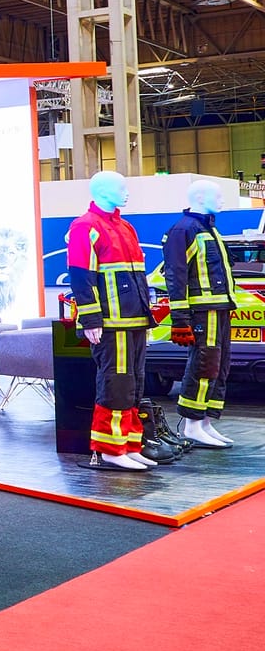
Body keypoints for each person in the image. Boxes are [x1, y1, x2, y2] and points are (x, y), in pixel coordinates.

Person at [66, 170, 157, 471]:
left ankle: (129, 445)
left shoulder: (126, 227)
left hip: (134, 320)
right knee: (115, 384)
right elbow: (81, 277)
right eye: (121, 186)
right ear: (102, 190)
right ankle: (109, 449)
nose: (127, 191)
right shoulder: (84, 227)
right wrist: (91, 319)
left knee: (134, 384)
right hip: (111, 323)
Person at [162, 179, 238, 450]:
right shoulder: (183, 230)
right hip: (202, 311)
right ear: (201, 196)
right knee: (204, 364)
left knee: (220, 365)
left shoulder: (209, 228)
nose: (222, 200)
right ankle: (192, 424)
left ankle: (205, 421)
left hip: (219, 309)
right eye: (217, 195)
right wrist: (180, 318)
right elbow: (176, 275)